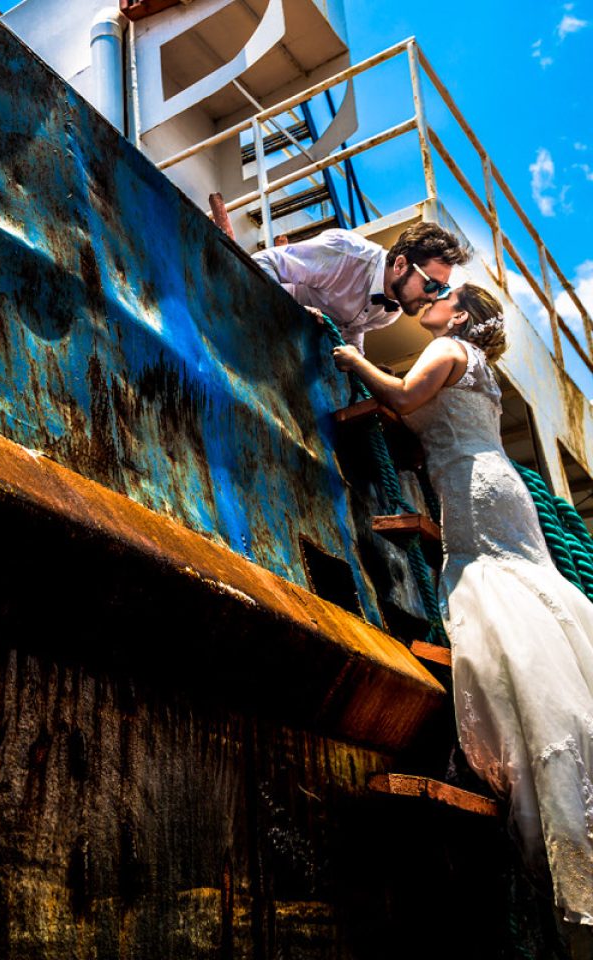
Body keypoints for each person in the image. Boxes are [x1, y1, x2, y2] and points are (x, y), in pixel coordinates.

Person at [333, 283, 593, 927]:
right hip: (497, 485)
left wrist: (355, 359)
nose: (433, 298)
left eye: (445, 295)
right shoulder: (480, 366)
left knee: (495, 591)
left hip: (473, 489)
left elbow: (401, 397)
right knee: (526, 590)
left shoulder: (447, 348)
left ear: (461, 317)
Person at [253, 222, 470, 352]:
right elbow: (262, 261)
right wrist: (291, 311)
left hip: (290, 348)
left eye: (441, 289)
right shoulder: (344, 252)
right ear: (400, 265)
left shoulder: (392, 312)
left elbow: (352, 330)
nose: (433, 297)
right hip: (259, 322)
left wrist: (362, 366)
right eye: (431, 284)